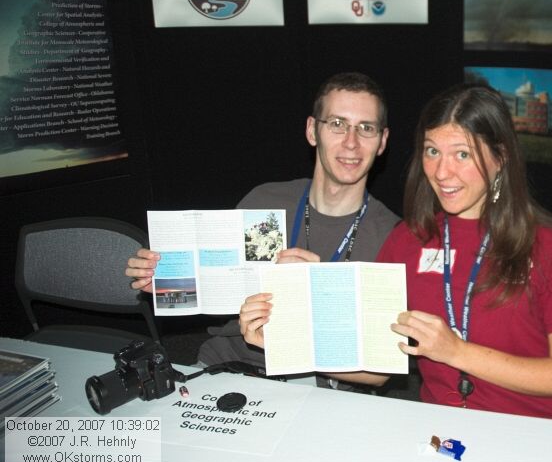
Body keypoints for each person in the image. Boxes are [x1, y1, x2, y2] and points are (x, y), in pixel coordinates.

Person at [125, 72, 399, 389]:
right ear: (313, 130)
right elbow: (216, 285)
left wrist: (294, 334)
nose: (351, 142)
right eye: (337, 124)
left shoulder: (392, 236)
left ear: (382, 141)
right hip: (224, 364)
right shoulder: (264, 202)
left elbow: (378, 373)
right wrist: (163, 279)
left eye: (366, 128)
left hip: (317, 384)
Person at [381, 83, 552, 421]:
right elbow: (371, 360)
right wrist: (296, 304)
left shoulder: (548, 247)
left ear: (500, 158)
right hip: (445, 432)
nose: (441, 172)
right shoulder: (406, 241)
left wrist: (457, 353)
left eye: (462, 154)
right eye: (432, 151)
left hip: (536, 429)